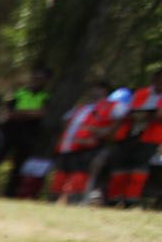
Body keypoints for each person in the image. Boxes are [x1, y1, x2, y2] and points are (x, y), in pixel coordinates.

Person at [108, 68, 162, 208]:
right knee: (120, 164)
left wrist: (149, 116)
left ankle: (131, 199)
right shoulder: (141, 93)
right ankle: (114, 197)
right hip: (128, 132)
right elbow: (127, 111)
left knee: (139, 166)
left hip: (150, 136)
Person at [49, 82, 108, 203]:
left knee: (79, 173)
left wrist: (96, 137)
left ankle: (73, 200)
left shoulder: (108, 108)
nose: (94, 91)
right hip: (67, 146)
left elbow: (111, 126)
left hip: (86, 147)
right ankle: (54, 198)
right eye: (93, 88)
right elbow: (66, 122)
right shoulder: (80, 108)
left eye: (99, 89)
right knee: (61, 173)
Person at [0, 65, 50, 197]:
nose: (37, 80)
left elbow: (41, 113)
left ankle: (10, 193)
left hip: (28, 134)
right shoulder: (20, 92)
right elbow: (8, 111)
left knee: (19, 165)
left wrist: (21, 113)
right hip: (10, 130)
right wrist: (28, 114)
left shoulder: (46, 96)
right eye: (35, 77)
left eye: (41, 78)